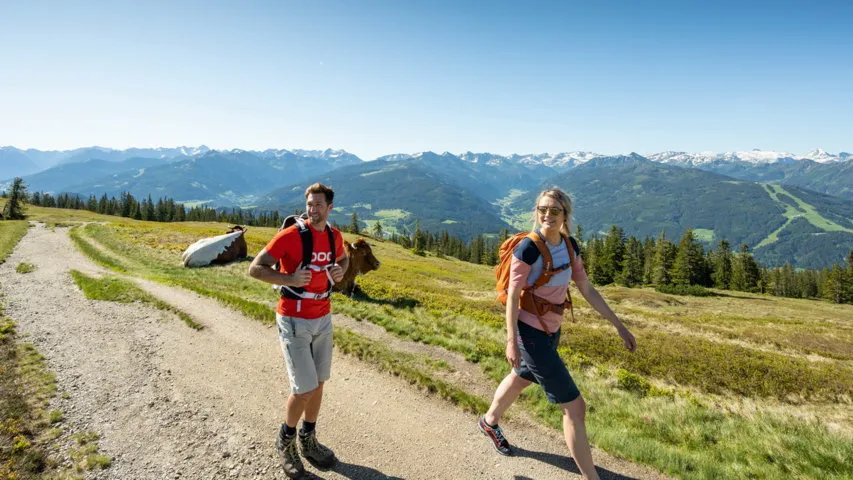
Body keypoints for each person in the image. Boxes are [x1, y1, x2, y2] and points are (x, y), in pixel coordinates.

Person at [479, 187, 636, 480]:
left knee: (522, 376)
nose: (547, 215)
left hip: (552, 330)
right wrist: (512, 340)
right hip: (530, 332)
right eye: (542, 209)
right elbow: (513, 296)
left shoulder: (570, 246)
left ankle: (489, 422)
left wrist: (619, 324)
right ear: (536, 212)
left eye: (554, 210)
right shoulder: (527, 248)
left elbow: (586, 288)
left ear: (565, 214)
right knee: (575, 408)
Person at [248, 183, 349, 479]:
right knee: (303, 388)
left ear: (330, 208)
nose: (312, 209)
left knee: (318, 384)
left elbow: (341, 259)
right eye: (309, 204)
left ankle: (309, 438)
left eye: (318, 204)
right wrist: (289, 277)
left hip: (323, 316)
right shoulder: (291, 235)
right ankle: (286, 441)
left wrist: (341, 268)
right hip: (293, 318)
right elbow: (255, 268)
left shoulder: (334, 236)